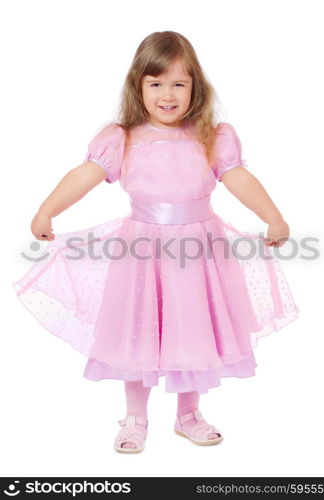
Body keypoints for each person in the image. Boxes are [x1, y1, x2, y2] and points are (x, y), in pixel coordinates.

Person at [13, 31, 300, 454]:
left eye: (179, 83)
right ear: (138, 86)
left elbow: (239, 178)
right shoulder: (123, 137)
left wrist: (273, 216)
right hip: (142, 250)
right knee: (138, 331)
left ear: (195, 88)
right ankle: (135, 418)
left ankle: (188, 414)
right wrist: (46, 210)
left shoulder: (211, 136)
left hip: (199, 250)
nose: (168, 94)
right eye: (156, 83)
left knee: (195, 329)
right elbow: (84, 174)